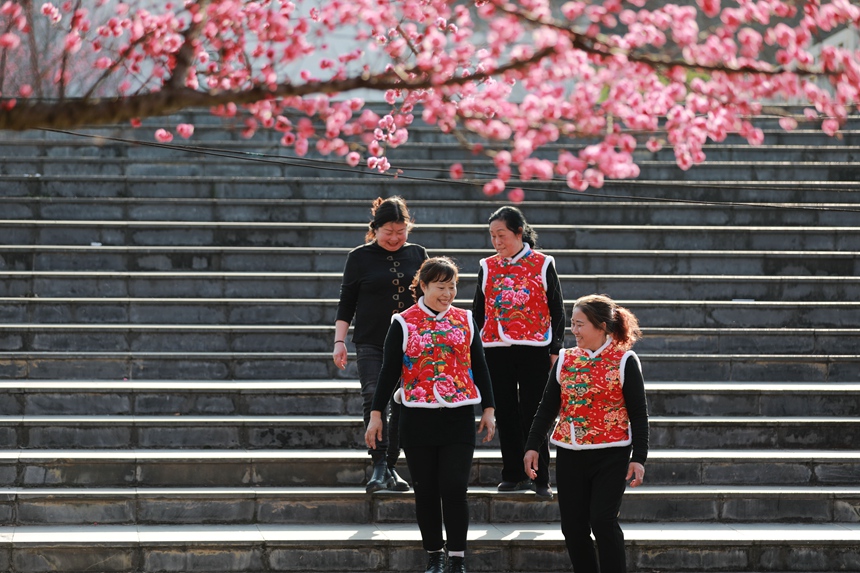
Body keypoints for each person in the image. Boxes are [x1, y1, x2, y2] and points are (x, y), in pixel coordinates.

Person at [365, 257, 495, 573]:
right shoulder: (403, 322)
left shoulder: (465, 319)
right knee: (426, 491)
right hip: (417, 418)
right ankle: (435, 554)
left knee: (454, 488)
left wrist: (489, 409)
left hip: (458, 416)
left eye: (452, 286)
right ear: (423, 286)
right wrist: (376, 413)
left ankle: (457, 558)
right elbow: (389, 371)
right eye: (441, 287)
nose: (448, 294)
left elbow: (479, 365)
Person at [524, 294, 649, 573]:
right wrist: (532, 446)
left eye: (580, 324)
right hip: (571, 453)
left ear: (601, 326)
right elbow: (547, 408)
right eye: (573, 324)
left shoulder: (624, 360)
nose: (574, 330)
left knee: (603, 521)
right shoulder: (566, 359)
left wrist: (638, 458)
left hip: (612, 455)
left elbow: (639, 414)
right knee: (572, 527)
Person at [334, 196, 428, 493]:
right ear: (375, 229)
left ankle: (391, 465)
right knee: (374, 396)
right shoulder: (359, 257)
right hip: (371, 341)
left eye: (401, 231)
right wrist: (339, 341)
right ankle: (378, 464)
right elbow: (347, 301)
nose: (395, 238)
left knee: (401, 402)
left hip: (410, 342)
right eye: (388, 232)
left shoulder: (418, 253)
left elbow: (429, 298)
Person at [471, 206, 565, 500]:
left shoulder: (543, 263)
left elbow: (557, 309)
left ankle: (540, 476)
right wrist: (473, 350)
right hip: (494, 348)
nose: (496, 241)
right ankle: (512, 473)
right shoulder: (487, 266)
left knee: (535, 412)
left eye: (502, 235)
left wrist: (555, 349)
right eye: (492, 236)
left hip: (534, 347)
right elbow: (477, 311)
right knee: (505, 411)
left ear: (519, 232)